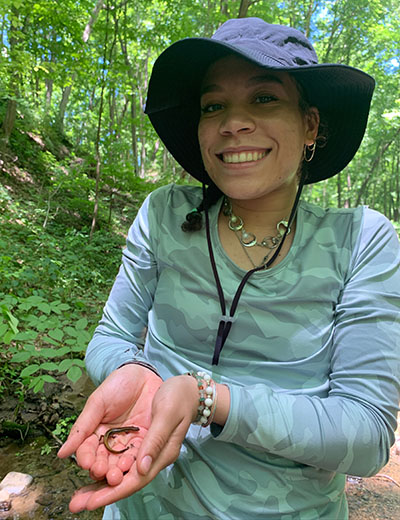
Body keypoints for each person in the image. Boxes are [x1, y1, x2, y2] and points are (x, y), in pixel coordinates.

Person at [58, 17, 400, 519]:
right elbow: (111, 336)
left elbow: (367, 435)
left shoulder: (360, 240)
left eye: (264, 98)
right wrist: (138, 371)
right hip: (140, 504)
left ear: (311, 125)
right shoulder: (165, 215)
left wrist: (208, 400)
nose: (232, 122)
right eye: (213, 105)